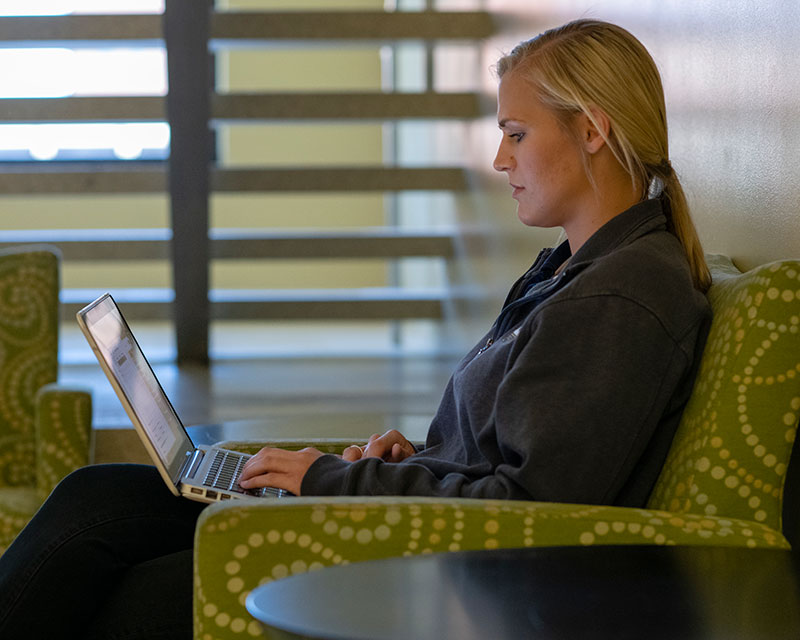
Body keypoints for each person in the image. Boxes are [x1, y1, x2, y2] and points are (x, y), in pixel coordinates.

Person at [0, 18, 712, 639]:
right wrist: (413, 462)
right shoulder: (575, 270)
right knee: (94, 497)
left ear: (592, 130)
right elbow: (510, 458)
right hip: (418, 531)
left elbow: (528, 513)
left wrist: (336, 480)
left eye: (516, 135)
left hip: (447, 569)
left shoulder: (619, 296)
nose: (501, 160)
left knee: (109, 595)